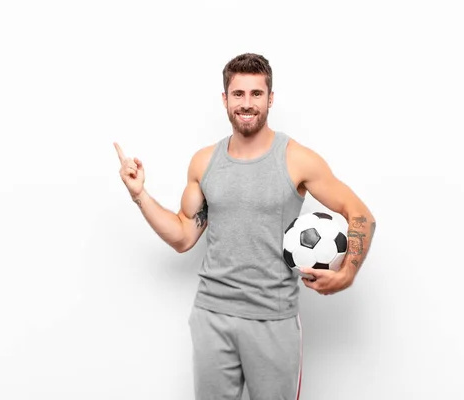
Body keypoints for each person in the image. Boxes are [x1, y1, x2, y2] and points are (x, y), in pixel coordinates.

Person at [114, 53, 376, 400]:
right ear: (225, 99)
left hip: (273, 318)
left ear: (270, 98)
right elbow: (182, 236)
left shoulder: (297, 159)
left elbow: (360, 215)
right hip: (212, 315)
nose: (247, 103)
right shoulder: (205, 161)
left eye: (256, 93)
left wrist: (347, 274)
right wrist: (139, 195)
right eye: (238, 94)